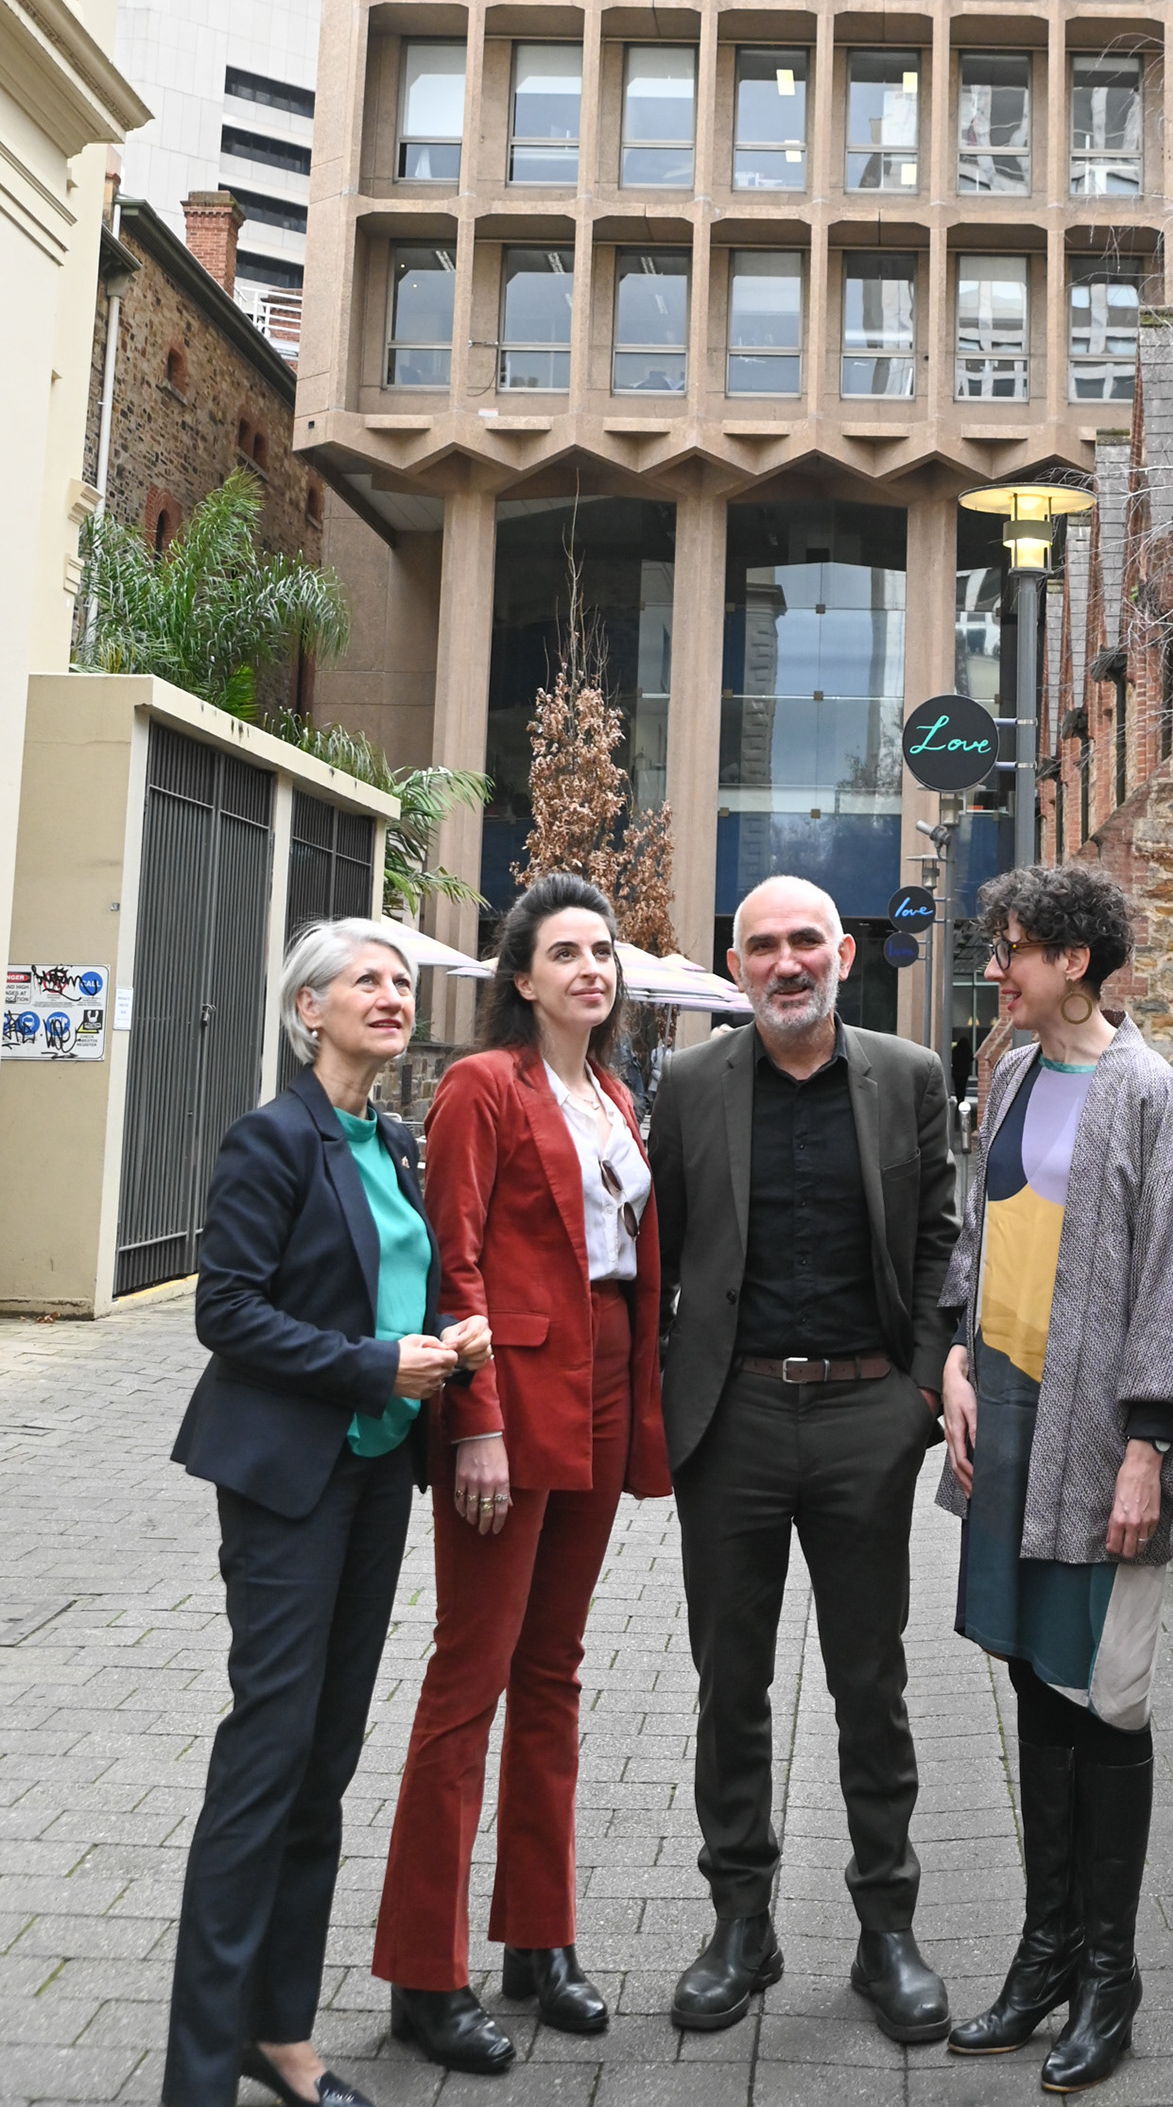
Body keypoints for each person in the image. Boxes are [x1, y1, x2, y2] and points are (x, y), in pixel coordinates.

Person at [163, 920, 491, 2107]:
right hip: (289, 1484)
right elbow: (228, 1311)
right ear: (310, 1010)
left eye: (403, 982)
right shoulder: (273, 1139)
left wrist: (446, 1349)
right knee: (264, 1764)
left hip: (373, 1480)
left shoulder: (391, 1142)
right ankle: (198, 2072)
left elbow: (385, 1293)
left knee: (323, 1761)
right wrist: (371, 1366)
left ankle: (280, 2035)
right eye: (368, 980)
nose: (393, 995)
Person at [938, 865, 1173, 2093]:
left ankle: (1108, 1975)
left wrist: (1147, 1448)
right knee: (1034, 1675)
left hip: (1107, 1429)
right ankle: (1044, 1952)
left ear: (1074, 960)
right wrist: (957, 1354)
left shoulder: (1145, 1090)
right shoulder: (1012, 1074)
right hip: (1012, 1414)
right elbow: (983, 1232)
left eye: (1010, 948)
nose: (995, 969)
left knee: (1102, 1694)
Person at [649, 876, 957, 2045]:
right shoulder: (687, 1086)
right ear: (737, 969)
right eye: (763, 946)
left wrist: (922, 1387)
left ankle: (888, 1930)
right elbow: (659, 1251)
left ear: (844, 953)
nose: (787, 963)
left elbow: (941, 1234)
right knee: (731, 1683)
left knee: (869, 1684)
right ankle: (741, 1922)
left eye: (806, 943)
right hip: (730, 1424)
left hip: (864, 1420)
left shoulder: (906, 1079)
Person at [373, 874, 669, 2073]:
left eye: (604, 951)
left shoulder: (612, 1092)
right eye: (566, 952)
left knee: (555, 1672)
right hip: (511, 1392)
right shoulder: (480, 1088)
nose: (592, 968)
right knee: (469, 1680)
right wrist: (476, 1423)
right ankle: (422, 1974)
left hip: (603, 1377)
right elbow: (458, 1263)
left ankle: (538, 1943)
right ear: (522, 977)